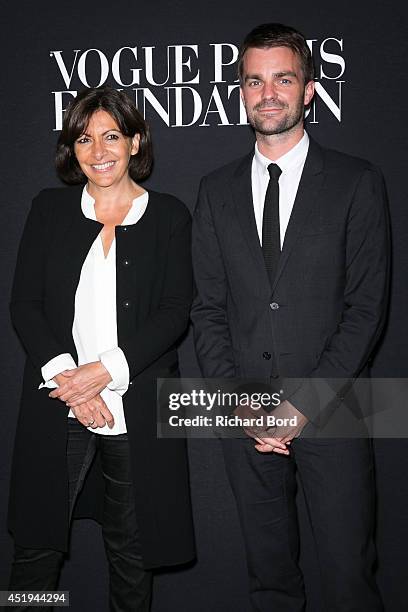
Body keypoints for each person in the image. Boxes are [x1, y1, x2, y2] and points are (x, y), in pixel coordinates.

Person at [191, 23, 389, 612]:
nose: (268, 93)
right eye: (255, 80)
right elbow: (208, 309)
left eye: (283, 78)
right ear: (242, 91)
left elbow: (365, 308)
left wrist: (304, 403)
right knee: (270, 584)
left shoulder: (357, 182)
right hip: (246, 419)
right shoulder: (215, 189)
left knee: (350, 580)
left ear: (307, 90)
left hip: (335, 409)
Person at [8, 86, 195, 611]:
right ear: (73, 149)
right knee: (35, 551)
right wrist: (72, 381)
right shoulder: (48, 210)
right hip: (60, 403)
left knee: (131, 558)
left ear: (135, 142)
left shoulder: (169, 217)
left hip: (132, 412)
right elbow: (25, 304)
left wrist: (104, 373)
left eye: (111, 136)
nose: (99, 151)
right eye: (84, 139)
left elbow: (175, 311)